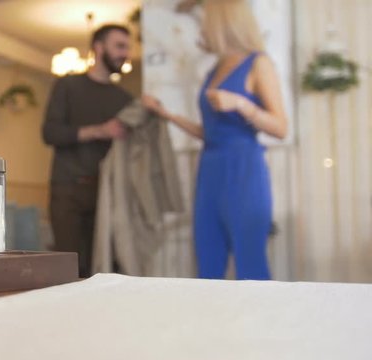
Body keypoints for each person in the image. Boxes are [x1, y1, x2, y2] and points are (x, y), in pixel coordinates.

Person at [142, 0, 288, 280]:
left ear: (222, 21)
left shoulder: (258, 62)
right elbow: (210, 132)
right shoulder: (215, 68)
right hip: (209, 169)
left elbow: (280, 127)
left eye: (206, 18)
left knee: (250, 262)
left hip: (243, 170)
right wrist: (167, 115)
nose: (201, 26)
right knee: (208, 260)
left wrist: (241, 104)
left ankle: (259, 323)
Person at [42, 24, 133, 278]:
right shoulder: (67, 86)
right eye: (119, 46)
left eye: (127, 47)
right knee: (68, 268)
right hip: (67, 189)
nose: (125, 53)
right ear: (99, 47)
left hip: (107, 192)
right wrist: (99, 131)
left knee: (105, 268)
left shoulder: (124, 99)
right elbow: (50, 133)